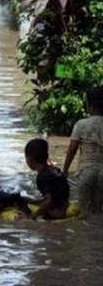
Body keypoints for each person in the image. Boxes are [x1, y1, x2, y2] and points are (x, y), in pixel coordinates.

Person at [63, 86, 103, 215]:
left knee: (85, 214)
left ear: (90, 106)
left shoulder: (81, 124)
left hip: (86, 172)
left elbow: (72, 150)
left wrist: (65, 170)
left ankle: (86, 234)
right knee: (98, 211)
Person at [25, 138, 70, 220]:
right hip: (65, 206)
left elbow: (49, 201)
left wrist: (33, 216)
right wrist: (35, 202)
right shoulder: (55, 170)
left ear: (30, 159)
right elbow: (58, 193)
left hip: (55, 214)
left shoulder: (41, 177)